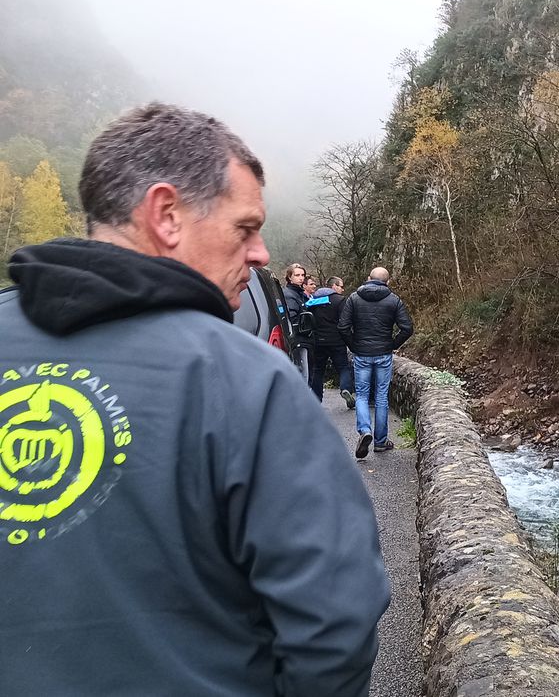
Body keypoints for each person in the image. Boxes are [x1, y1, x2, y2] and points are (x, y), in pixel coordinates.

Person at [0, 103, 390, 695]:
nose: (260, 253)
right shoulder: (249, 382)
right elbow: (335, 622)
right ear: (167, 215)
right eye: (245, 227)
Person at [338, 266, 413, 459]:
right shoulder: (393, 300)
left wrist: (353, 345)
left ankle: (365, 430)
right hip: (383, 354)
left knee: (362, 395)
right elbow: (407, 328)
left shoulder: (354, 298)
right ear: (387, 282)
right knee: (381, 397)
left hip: (362, 354)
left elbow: (343, 327)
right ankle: (380, 441)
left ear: (368, 278)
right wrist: (392, 344)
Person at [306, 276, 354, 407]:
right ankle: (345, 389)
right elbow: (345, 322)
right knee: (343, 367)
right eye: (340, 286)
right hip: (336, 340)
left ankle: (316, 400)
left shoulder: (313, 300)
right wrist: (349, 339)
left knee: (318, 370)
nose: (342, 289)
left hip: (318, 341)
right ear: (333, 286)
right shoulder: (340, 300)